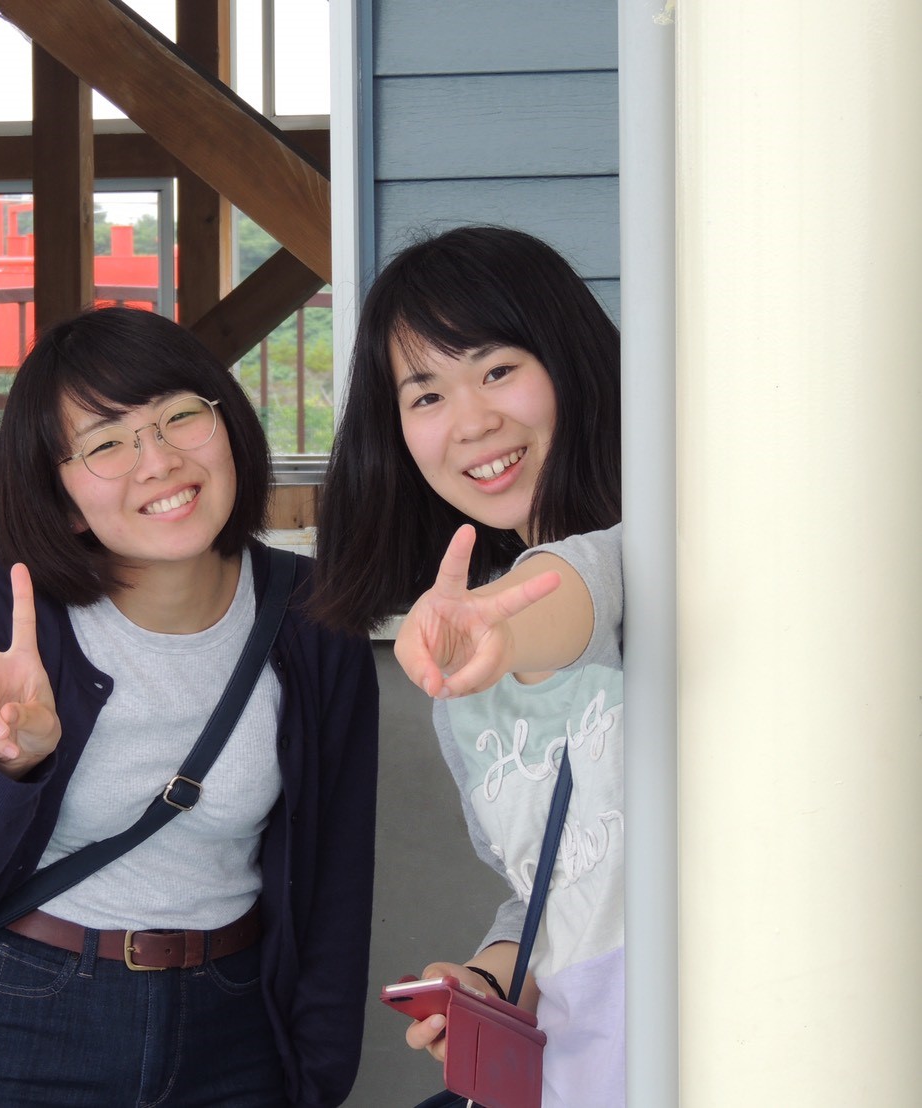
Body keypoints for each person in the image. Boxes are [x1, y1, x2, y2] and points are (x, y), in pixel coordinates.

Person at [0, 306, 380, 1107]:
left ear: (230, 429)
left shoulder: (315, 621)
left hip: (236, 1020)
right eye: (106, 444)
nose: (159, 461)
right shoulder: (7, 617)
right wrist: (3, 763)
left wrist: (317, 1078)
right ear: (63, 497)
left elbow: (337, 883)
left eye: (180, 417)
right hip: (31, 1011)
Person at [311, 226, 625, 1107]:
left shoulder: (669, 555)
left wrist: (500, 623)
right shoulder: (468, 692)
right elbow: (556, 887)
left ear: (572, 362)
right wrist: (488, 979)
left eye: (497, 370)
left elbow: (586, 581)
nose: (473, 421)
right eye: (426, 394)